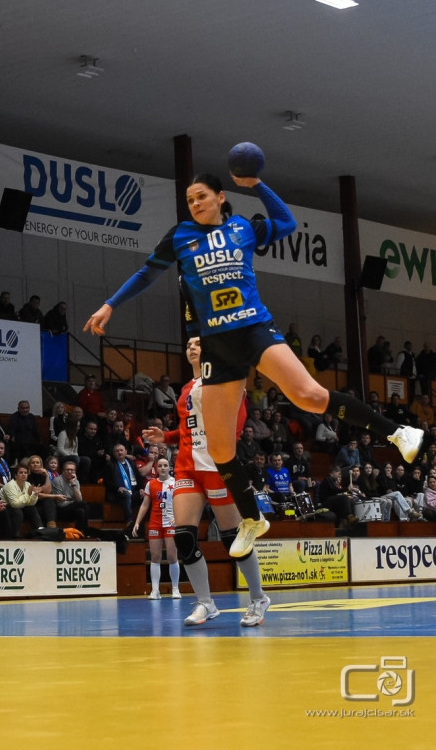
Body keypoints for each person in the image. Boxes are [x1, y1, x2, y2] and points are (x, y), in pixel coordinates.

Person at [85, 165, 424, 558]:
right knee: (220, 449)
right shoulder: (180, 236)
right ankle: (252, 518)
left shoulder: (243, 227)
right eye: (190, 199)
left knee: (309, 396)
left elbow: (287, 222)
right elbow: (147, 273)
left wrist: (258, 184)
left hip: (254, 329)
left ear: (220, 197)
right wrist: (110, 304)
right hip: (217, 346)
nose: (195, 203)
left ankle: (398, 433)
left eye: (202, 196)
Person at [139, 336, 270, 627]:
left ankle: (258, 598)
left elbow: (237, 423)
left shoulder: (223, 380)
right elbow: (190, 428)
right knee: (184, 536)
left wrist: (224, 454)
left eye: (197, 343)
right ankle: (205, 603)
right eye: (188, 345)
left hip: (216, 467)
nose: (191, 347)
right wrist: (167, 436)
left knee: (233, 538)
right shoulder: (186, 388)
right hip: (187, 468)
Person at [132, 457, 179, 600]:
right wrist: (137, 522)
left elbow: (182, 502)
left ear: (169, 467)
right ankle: (155, 590)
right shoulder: (150, 484)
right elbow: (145, 505)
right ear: (156, 468)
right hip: (155, 523)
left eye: (165, 465)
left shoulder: (176, 483)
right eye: (160, 466)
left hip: (171, 523)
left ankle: (175, 589)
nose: (163, 468)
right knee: (155, 557)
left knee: (172, 556)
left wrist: (178, 517)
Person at [0, 463, 44, 538]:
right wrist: (28, 494)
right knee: (17, 512)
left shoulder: (28, 484)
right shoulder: (10, 485)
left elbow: (31, 503)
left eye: (25, 473)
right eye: (21, 473)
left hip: (20, 506)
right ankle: (15, 536)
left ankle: (40, 530)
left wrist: (35, 495)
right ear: (15, 475)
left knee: (32, 508)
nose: (23, 474)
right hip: (6, 507)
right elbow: (14, 504)